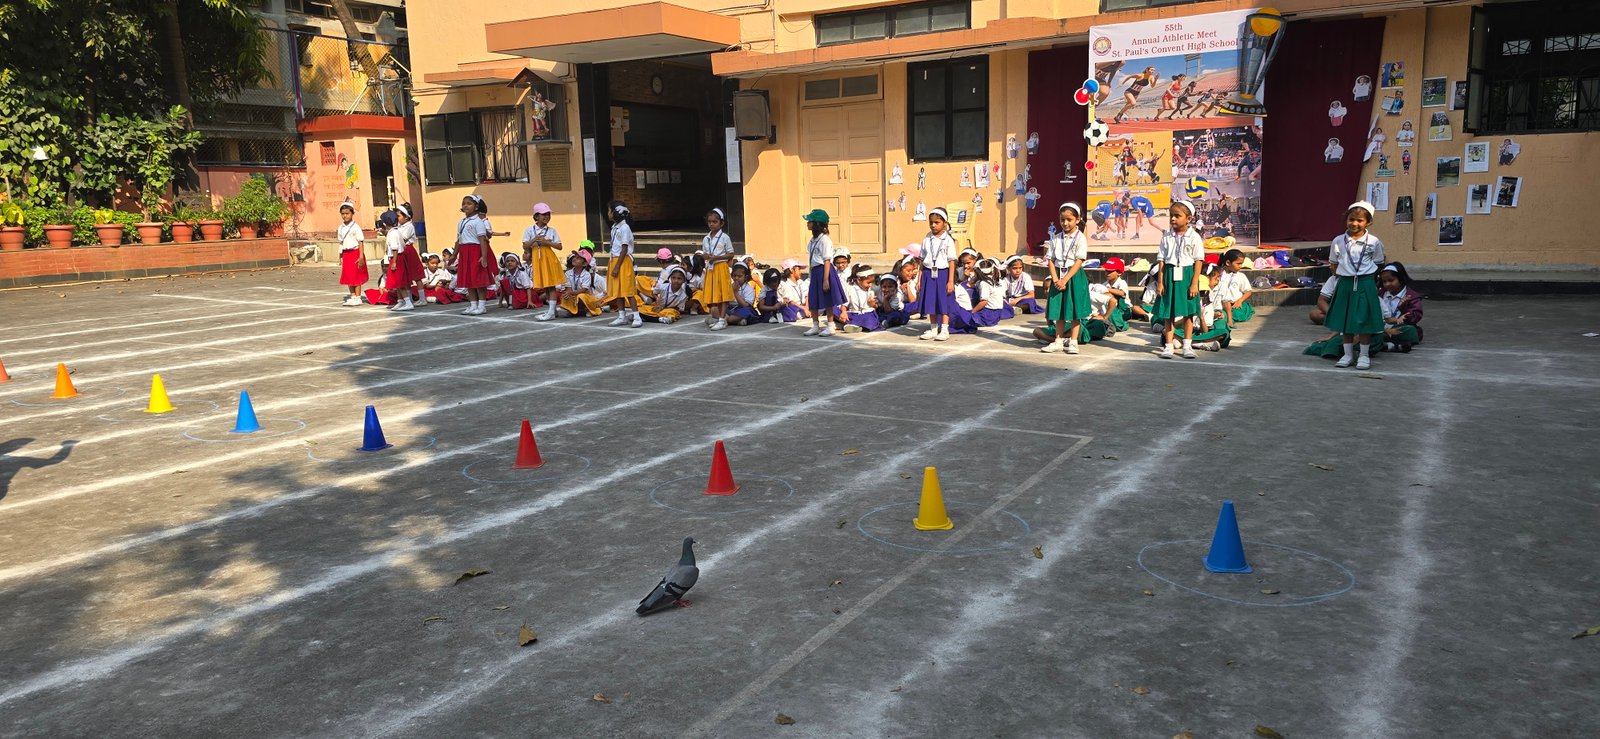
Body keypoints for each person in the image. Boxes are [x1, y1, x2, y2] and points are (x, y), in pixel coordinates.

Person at [1324, 200, 1386, 369]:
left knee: (1364, 320)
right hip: (1345, 283)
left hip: (1365, 283)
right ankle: (1348, 354)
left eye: (1360, 220)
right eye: (1351, 219)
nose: (1355, 223)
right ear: (1346, 219)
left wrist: (1370, 282)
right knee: (1346, 320)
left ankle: (1364, 355)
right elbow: (1333, 263)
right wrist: (1343, 276)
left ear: (1369, 222)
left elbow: (1378, 263)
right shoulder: (1338, 241)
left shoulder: (1374, 242)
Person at [1152, 199, 1204, 359]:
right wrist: (1161, 282)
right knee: (1168, 313)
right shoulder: (1166, 236)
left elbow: (1198, 261)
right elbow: (1161, 260)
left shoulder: (1194, 237)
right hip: (1169, 274)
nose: (1173, 219)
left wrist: (1194, 283)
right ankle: (1168, 346)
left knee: (1188, 313)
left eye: (1177, 215)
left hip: (1187, 276)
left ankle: (1187, 346)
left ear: (1188, 219)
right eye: (1171, 215)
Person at [1040, 203, 1091, 354]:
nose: (1065, 223)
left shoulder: (1080, 238)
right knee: (1059, 309)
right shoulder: (1056, 238)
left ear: (1077, 219)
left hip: (1074, 276)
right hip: (1058, 276)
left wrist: (1065, 279)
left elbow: (1079, 260)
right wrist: (1056, 279)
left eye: (1069, 219)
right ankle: (1058, 341)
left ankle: (1073, 342)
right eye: (1062, 220)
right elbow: (1050, 259)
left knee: (1075, 310)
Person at [918, 207, 959, 341]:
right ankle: (933, 328)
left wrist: (950, 281)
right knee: (931, 300)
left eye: (937, 222)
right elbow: (922, 261)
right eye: (931, 222)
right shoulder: (926, 239)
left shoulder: (948, 240)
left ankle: (945, 329)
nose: (933, 225)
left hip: (943, 273)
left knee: (944, 301)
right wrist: (919, 279)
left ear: (945, 223)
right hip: (928, 273)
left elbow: (951, 261)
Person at [454, 194, 496, 316]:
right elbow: (459, 240)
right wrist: (454, 254)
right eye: (464, 203)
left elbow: (482, 239)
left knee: (478, 280)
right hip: (464, 251)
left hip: (475, 251)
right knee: (469, 280)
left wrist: (484, 256)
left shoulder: (478, 222)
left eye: (469, 203)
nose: (465, 206)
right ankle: (473, 305)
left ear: (476, 206)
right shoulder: (461, 222)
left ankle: (482, 306)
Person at [802, 209, 842, 337]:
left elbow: (827, 260)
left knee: (827, 298)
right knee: (813, 297)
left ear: (817, 224)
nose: (808, 223)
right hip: (815, 271)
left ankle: (830, 326)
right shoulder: (813, 240)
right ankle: (815, 325)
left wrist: (825, 280)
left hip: (824, 271)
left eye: (810, 221)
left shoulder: (825, 240)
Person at [604, 201, 642, 328]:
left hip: (623, 261)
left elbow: (624, 249)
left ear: (615, 213)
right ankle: (622, 316)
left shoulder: (625, 228)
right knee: (618, 290)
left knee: (628, 290)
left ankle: (637, 317)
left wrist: (616, 267)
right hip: (615, 260)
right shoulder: (615, 227)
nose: (608, 213)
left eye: (609, 211)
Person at [523, 202, 564, 321]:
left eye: (548, 214)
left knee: (551, 285)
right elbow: (525, 245)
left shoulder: (552, 231)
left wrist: (547, 242)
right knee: (545, 285)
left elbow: (559, 246)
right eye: (543, 214)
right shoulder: (530, 230)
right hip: (537, 258)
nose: (547, 217)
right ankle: (553, 310)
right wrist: (534, 239)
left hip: (549, 258)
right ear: (536, 216)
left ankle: (551, 312)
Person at [700, 207, 736, 330]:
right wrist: (705, 256)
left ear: (721, 223)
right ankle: (720, 318)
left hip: (721, 266)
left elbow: (731, 254)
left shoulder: (725, 237)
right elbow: (705, 253)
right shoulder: (706, 238)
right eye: (709, 222)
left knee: (723, 294)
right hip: (710, 268)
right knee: (715, 294)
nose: (711, 224)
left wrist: (716, 257)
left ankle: (722, 319)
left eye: (715, 222)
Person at [1376, 262, 1424, 352]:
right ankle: (1388, 344)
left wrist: (1403, 308)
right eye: (1384, 281)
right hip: (1380, 327)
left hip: (1398, 326)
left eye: (1391, 280)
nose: (1387, 284)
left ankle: (1378, 342)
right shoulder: (1380, 294)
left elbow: (1415, 316)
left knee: (1411, 331)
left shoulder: (1411, 296)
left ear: (1401, 279)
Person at [557, 246, 606, 317]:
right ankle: (573, 310)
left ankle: (586, 309)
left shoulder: (587, 274)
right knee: (565, 296)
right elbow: (568, 288)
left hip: (584, 296)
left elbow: (584, 290)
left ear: (584, 264)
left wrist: (571, 293)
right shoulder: (568, 273)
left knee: (581, 296)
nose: (574, 259)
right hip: (573, 295)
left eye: (578, 258)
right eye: (575, 257)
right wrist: (569, 293)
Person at [336, 200, 367, 305]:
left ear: (352, 213)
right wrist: (340, 256)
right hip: (346, 253)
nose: (345, 216)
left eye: (347, 213)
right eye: (343, 214)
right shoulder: (340, 228)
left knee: (356, 276)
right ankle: (353, 296)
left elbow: (360, 242)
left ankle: (358, 297)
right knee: (349, 276)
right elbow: (341, 242)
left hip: (355, 252)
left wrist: (361, 256)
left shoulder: (356, 227)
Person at [1213, 249, 1255, 325]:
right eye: (1238, 264)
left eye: (1241, 264)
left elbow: (1248, 291)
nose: (1240, 266)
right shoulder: (1218, 274)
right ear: (1228, 263)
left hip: (1235, 304)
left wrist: (1239, 301)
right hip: (1220, 303)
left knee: (1238, 313)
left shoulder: (1240, 276)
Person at [836, 264, 881, 333]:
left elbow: (875, 307)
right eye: (868, 282)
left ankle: (855, 326)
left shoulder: (871, 290)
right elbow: (844, 304)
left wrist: (873, 304)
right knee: (834, 309)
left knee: (870, 321)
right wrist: (844, 312)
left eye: (872, 282)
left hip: (867, 314)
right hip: (854, 313)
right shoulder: (850, 288)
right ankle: (854, 325)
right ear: (859, 280)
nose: (870, 285)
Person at [775, 258, 808, 323]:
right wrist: (804, 308)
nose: (800, 272)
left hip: (803, 306)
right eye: (798, 269)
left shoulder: (801, 282)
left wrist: (807, 307)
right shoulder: (784, 284)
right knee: (797, 314)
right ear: (792, 270)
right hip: (794, 307)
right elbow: (790, 302)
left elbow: (807, 296)